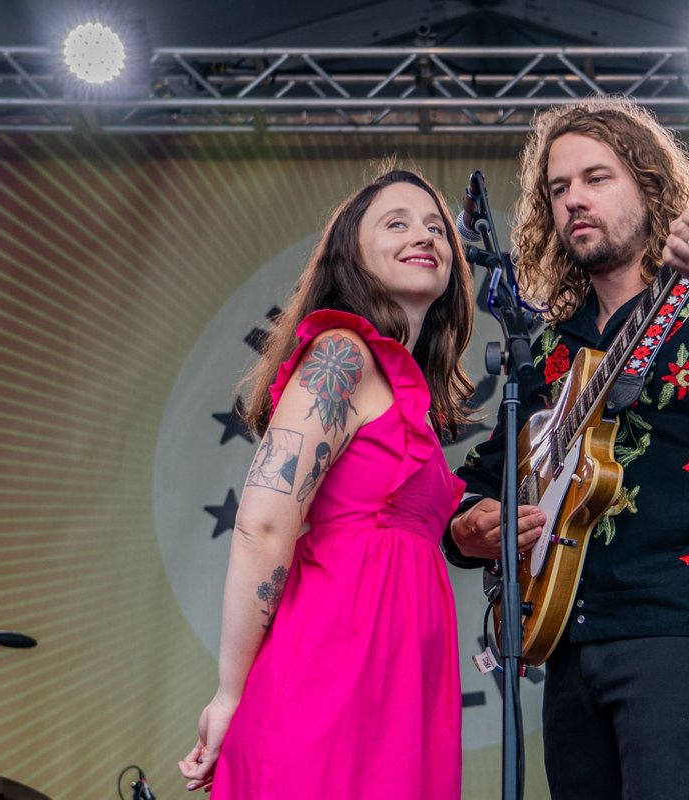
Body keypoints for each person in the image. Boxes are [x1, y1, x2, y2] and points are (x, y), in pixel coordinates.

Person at [443, 96, 689, 799]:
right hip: (564, 636)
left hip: (680, 629)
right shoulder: (549, 348)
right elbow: (482, 476)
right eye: (558, 189)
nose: (573, 201)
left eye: (597, 178)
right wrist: (468, 522)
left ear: (651, 189)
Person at [179, 167, 476, 799]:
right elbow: (262, 525)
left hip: (396, 682)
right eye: (394, 222)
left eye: (435, 226)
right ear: (353, 256)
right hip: (333, 671)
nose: (423, 234)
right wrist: (230, 695)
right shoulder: (343, 355)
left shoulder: (403, 388)